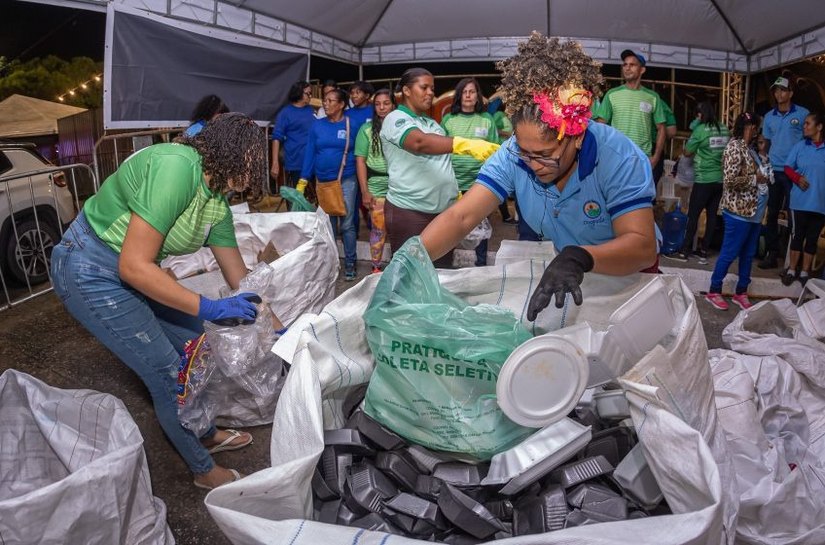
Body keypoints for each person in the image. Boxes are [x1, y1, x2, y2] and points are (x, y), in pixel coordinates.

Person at [50, 113, 265, 490]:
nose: (257, 169)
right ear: (231, 151)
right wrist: (211, 308)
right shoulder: (177, 168)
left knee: (197, 347)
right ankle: (203, 470)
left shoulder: (216, 201)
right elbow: (134, 267)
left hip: (134, 267)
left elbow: (241, 280)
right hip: (91, 268)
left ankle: (205, 431)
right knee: (168, 374)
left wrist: (282, 329)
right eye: (253, 158)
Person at [420, 33, 658, 319]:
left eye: (546, 155)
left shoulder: (619, 158)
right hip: (569, 275)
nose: (533, 165)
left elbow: (642, 246)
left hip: (630, 280)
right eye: (525, 152)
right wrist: (411, 260)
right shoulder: (513, 154)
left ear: (577, 137)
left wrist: (580, 257)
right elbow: (461, 217)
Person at [379, 67, 499, 269]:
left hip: (442, 213)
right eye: (424, 87)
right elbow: (419, 142)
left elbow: (442, 162)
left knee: (442, 273)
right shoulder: (396, 119)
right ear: (407, 91)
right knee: (412, 273)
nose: (430, 93)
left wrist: (455, 193)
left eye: (432, 88)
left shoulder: (432, 124)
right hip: (411, 212)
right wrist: (465, 144)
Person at [704, 112, 769, 311]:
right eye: (755, 127)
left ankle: (741, 292)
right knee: (729, 252)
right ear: (748, 128)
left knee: (748, 255)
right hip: (738, 212)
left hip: (754, 213)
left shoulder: (751, 150)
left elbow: (767, 175)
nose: (757, 131)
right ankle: (714, 290)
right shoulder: (734, 147)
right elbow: (730, 180)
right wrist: (753, 180)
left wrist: (763, 155)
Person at [298, 88, 359, 281]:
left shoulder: (352, 125)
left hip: (346, 179)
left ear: (341, 104)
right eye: (325, 100)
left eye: (331, 101)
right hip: (323, 182)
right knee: (328, 225)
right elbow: (310, 152)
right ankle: (332, 263)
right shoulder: (317, 127)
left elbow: (360, 155)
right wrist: (303, 178)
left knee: (347, 224)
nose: (326, 103)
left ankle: (350, 263)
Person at [441, 77, 500, 265]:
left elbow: (495, 150)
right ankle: (446, 262)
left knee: (480, 225)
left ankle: (481, 264)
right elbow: (440, 150)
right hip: (453, 182)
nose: (468, 95)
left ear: (478, 96)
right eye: (464, 92)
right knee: (450, 225)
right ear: (459, 96)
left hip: (480, 182)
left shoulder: (487, 120)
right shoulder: (448, 120)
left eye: (472, 92)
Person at [668, 101, 730, 263]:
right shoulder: (724, 128)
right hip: (720, 180)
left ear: (700, 115)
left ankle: (684, 251)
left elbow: (688, 152)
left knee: (693, 215)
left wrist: (694, 130)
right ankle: (704, 251)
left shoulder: (700, 130)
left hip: (703, 179)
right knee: (712, 216)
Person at [759, 76, 810, 269]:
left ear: (791, 93)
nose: (778, 94)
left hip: (793, 173)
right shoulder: (769, 116)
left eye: (782, 90)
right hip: (774, 171)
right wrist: (762, 165)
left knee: (793, 215)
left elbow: (808, 140)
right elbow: (766, 143)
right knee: (771, 213)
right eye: (776, 90)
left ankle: (790, 257)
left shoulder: (803, 113)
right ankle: (772, 254)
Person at [595, 49, 667, 170]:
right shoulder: (612, 94)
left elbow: (662, 129)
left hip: (641, 158)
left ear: (642, 70)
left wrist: (655, 158)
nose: (627, 68)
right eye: (625, 64)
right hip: (616, 156)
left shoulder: (652, 97)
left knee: (639, 189)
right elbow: (600, 126)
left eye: (632, 65)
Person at [780, 112, 825, 286]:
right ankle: (791, 270)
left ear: (819, 127)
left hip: (820, 204)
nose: (804, 126)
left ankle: (805, 272)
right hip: (800, 202)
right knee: (797, 236)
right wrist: (797, 178)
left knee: (812, 239)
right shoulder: (800, 146)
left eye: (808, 124)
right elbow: (787, 167)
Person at [355, 88, 395, 273]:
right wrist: (365, 191)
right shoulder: (366, 130)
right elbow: (360, 161)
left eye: (386, 103)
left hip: (401, 189)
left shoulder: (401, 127)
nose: (382, 107)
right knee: (378, 231)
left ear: (393, 105)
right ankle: (376, 269)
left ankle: (399, 268)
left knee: (399, 232)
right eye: (377, 104)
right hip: (376, 188)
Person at [270, 81, 315, 194]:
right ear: (299, 93)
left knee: (316, 198)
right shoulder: (286, 113)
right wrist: (275, 162)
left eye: (310, 93)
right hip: (295, 162)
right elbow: (276, 138)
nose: (310, 96)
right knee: (296, 198)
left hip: (314, 161)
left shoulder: (311, 110)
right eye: (307, 93)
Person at [488, 97, 519, 225]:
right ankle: (506, 216)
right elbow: (494, 129)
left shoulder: (504, 115)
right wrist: (509, 134)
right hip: (502, 150)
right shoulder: (498, 115)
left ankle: (509, 216)